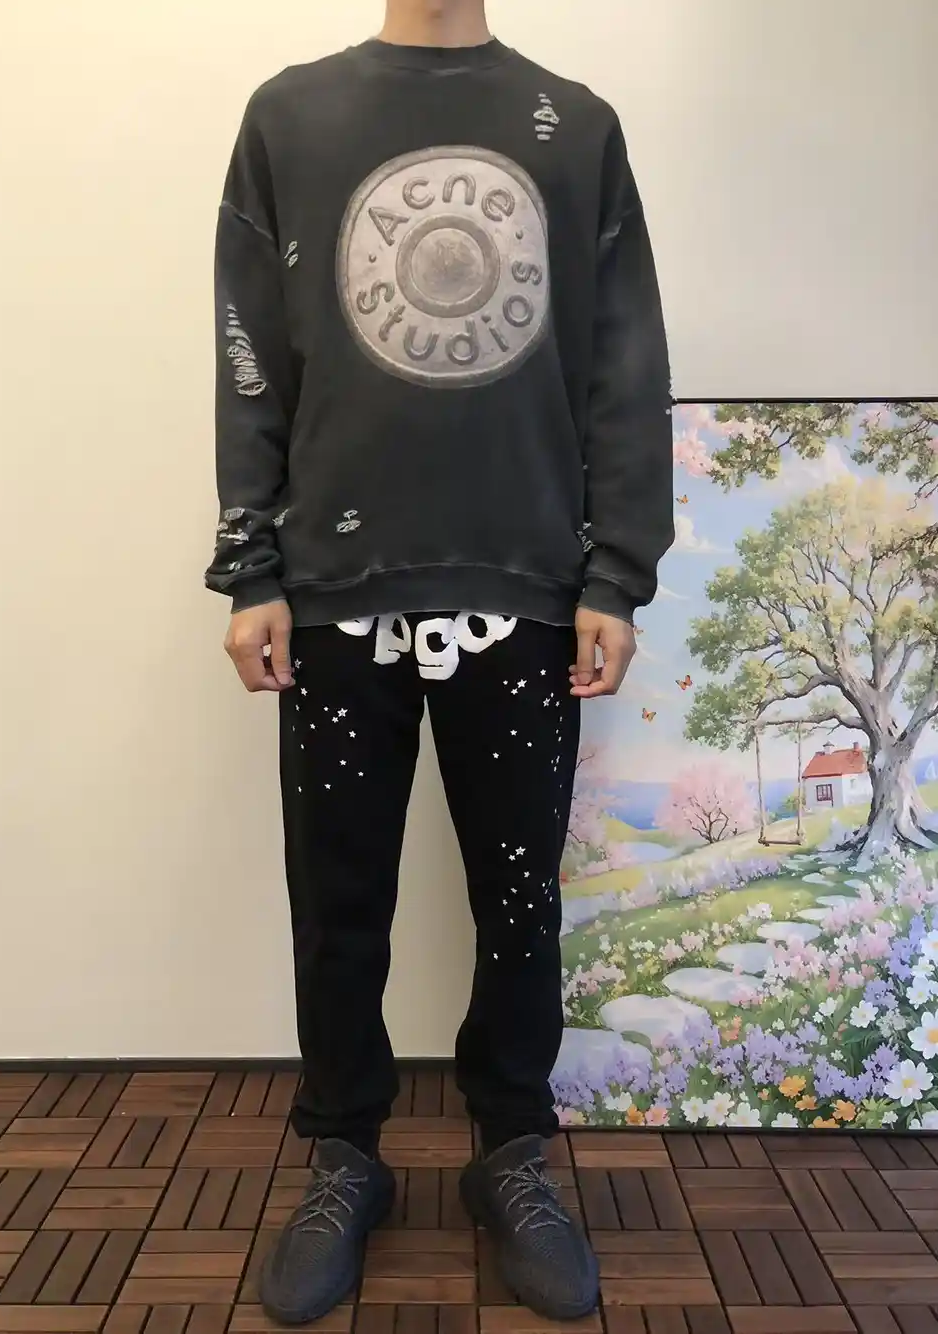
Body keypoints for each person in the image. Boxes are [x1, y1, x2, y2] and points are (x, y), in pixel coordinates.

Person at [205, 0, 673, 1323]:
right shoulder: (290, 117)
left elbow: (625, 359)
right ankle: (344, 1155)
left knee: (519, 900)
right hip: (332, 591)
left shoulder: (576, 128)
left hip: (525, 588)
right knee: (335, 895)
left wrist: (616, 571)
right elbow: (250, 350)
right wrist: (252, 563)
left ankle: (512, 1149)